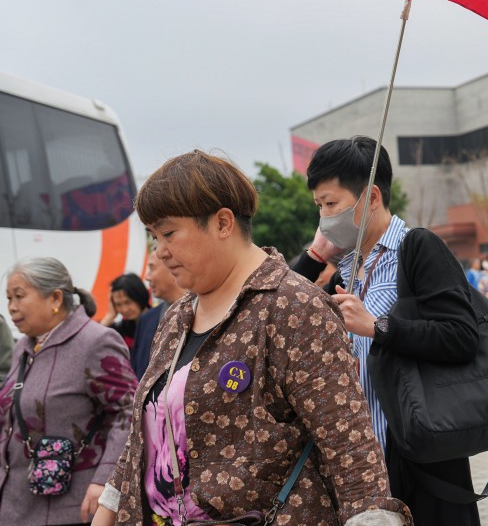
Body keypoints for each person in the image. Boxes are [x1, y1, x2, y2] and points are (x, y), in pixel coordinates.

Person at [91, 150, 408, 526]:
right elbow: (144, 437)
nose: (160, 251)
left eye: (169, 233)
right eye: (154, 236)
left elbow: (349, 445)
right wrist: (109, 510)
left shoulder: (292, 305)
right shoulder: (177, 316)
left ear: (223, 222)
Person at [303, 136, 482, 526]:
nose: (324, 217)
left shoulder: (417, 249)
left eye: (331, 204)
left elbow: (460, 336)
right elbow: (274, 306)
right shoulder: (347, 268)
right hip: (366, 468)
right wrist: (314, 256)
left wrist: (377, 327)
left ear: (370, 197)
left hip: (421, 462)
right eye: (319, 206)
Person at [0, 257, 136, 525]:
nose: (12, 308)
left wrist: (106, 480)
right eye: (8, 298)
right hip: (16, 504)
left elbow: (129, 411)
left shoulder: (95, 342)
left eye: (19, 296)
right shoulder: (24, 349)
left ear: (55, 299)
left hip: (73, 507)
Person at [131, 257, 187, 378]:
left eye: (152, 268)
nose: (147, 277)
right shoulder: (146, 319)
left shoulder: (203, 313)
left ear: (172, 266)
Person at [101, 273, 151, 358]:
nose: (124, 309)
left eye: (128, 302)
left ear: (140, 296)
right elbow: (91, 342)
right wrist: (110, 316)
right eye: (118, 304)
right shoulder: (121, 329)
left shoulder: (160, 320)